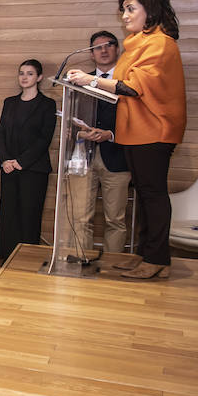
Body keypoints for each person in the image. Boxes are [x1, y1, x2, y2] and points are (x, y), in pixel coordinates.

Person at [67, 0, 185, 280]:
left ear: (151, 11)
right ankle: (147, 255)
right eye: (124, 9)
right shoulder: (138, 44)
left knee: (153, 195)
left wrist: (89, 81)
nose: (125, 15)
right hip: (135, 132)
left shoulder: (160, 43)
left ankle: (158, 258)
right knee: (144, 196)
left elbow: (132, 87)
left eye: (131, 9)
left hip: (154, 131)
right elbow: (120, 88)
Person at [65, 31, 131, 259]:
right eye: (98, 47)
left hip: (118, 156)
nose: (103, 50)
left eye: (108, 46)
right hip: (84, 154)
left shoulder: (127, 82)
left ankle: (113, 265)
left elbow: (136, 120)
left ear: (116, 49)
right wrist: (77, 129)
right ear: (91, 54)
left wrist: (110, 134)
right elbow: (72, 113)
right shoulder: (80, 81)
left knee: (116, 219)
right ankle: (82, 258)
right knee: (80, 216)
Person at [0, 59, 57, 260]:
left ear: (39, 77)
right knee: (8, 213)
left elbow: (44, 138)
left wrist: (21, 162)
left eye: (30, 73)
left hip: (33, 169)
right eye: (21, 73)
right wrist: (6, 160)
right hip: (8, 168)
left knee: (30, 213)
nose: (24, 77)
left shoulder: (47, 104)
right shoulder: (9, 102)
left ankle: (28, 257)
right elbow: (1, 132)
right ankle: (6, 256)